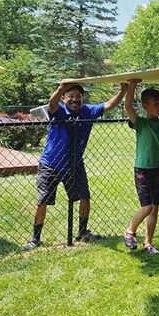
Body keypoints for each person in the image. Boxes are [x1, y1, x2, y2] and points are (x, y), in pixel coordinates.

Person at [23, 82, 127, 250]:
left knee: (84, 197)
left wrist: (123, 90)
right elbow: (51, 103)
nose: (75, 99)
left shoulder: (88, 111)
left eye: (78, 96)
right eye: (70, 96)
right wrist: (60, 88)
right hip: (51, 164)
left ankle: (83, 232)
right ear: (64, 97)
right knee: (42, 201)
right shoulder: (58, 111)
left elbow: (109, 105)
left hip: (75, 164)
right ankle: (35, 239)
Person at [123, 79, 159, 255]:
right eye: (155, 103)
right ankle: (130, 231)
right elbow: (128, 106)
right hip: (143, 169)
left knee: (155, 207)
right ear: (145, 106)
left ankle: (148, 243)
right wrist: (132, 86)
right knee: (147, 207)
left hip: (158, 169)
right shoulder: (140, 123)